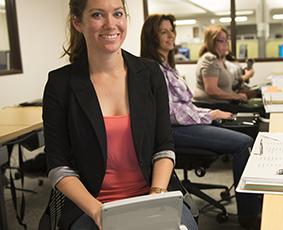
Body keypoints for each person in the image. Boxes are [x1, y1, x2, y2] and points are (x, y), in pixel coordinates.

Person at [41, 1, 197, 229]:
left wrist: (156, 196)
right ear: (78, 23)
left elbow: (164, 145)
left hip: (152, 192)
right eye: (97, 15)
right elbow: (58, 166)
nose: (111, 24)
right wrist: (98, 212)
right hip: (91, 204)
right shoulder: (60, 84)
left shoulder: (150, 73)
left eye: (118, 14)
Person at [140, 14, 262, 229]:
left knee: (246, 128)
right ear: (152, 37)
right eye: (164, 32)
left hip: (188, 123)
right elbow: (170, 113)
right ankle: (250, 216)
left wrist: (209, 111)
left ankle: (254, 199)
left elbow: (185, 104)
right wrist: (209, 115)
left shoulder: (167, 66)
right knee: (244, 143)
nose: (171, 36)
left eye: (172, 30)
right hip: (172, 132)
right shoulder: (153, 68)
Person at [194, 25, 249, 104]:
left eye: (226, 40)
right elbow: (211, 90)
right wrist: (235, 96)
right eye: (221, 41)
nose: (225, 44)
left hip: (223, 103)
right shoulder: (209, 59)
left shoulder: (220, 59)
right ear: (211, 42)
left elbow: (229, 85)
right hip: (211, 106)